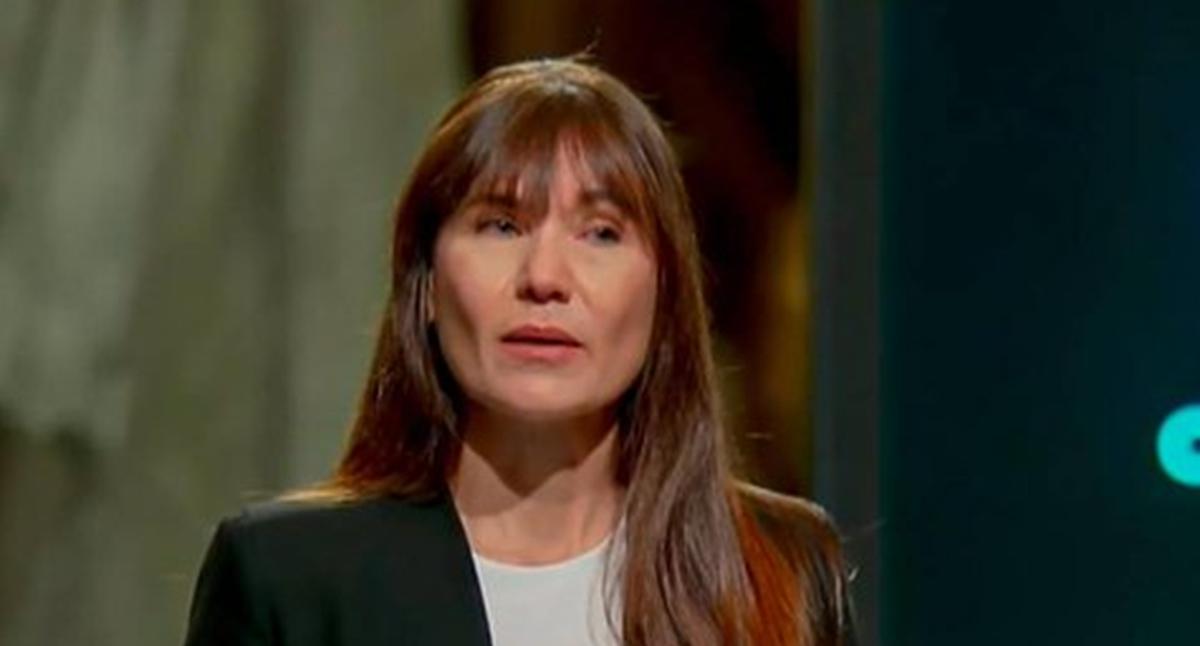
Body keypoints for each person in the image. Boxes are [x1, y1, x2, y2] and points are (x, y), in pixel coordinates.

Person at [183, 57, 854, 646]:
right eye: (501, 225)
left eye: (601, 232)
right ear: (426, 284)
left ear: (665, 294)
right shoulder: (288, 579)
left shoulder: (781, 568)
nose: (544, 277)